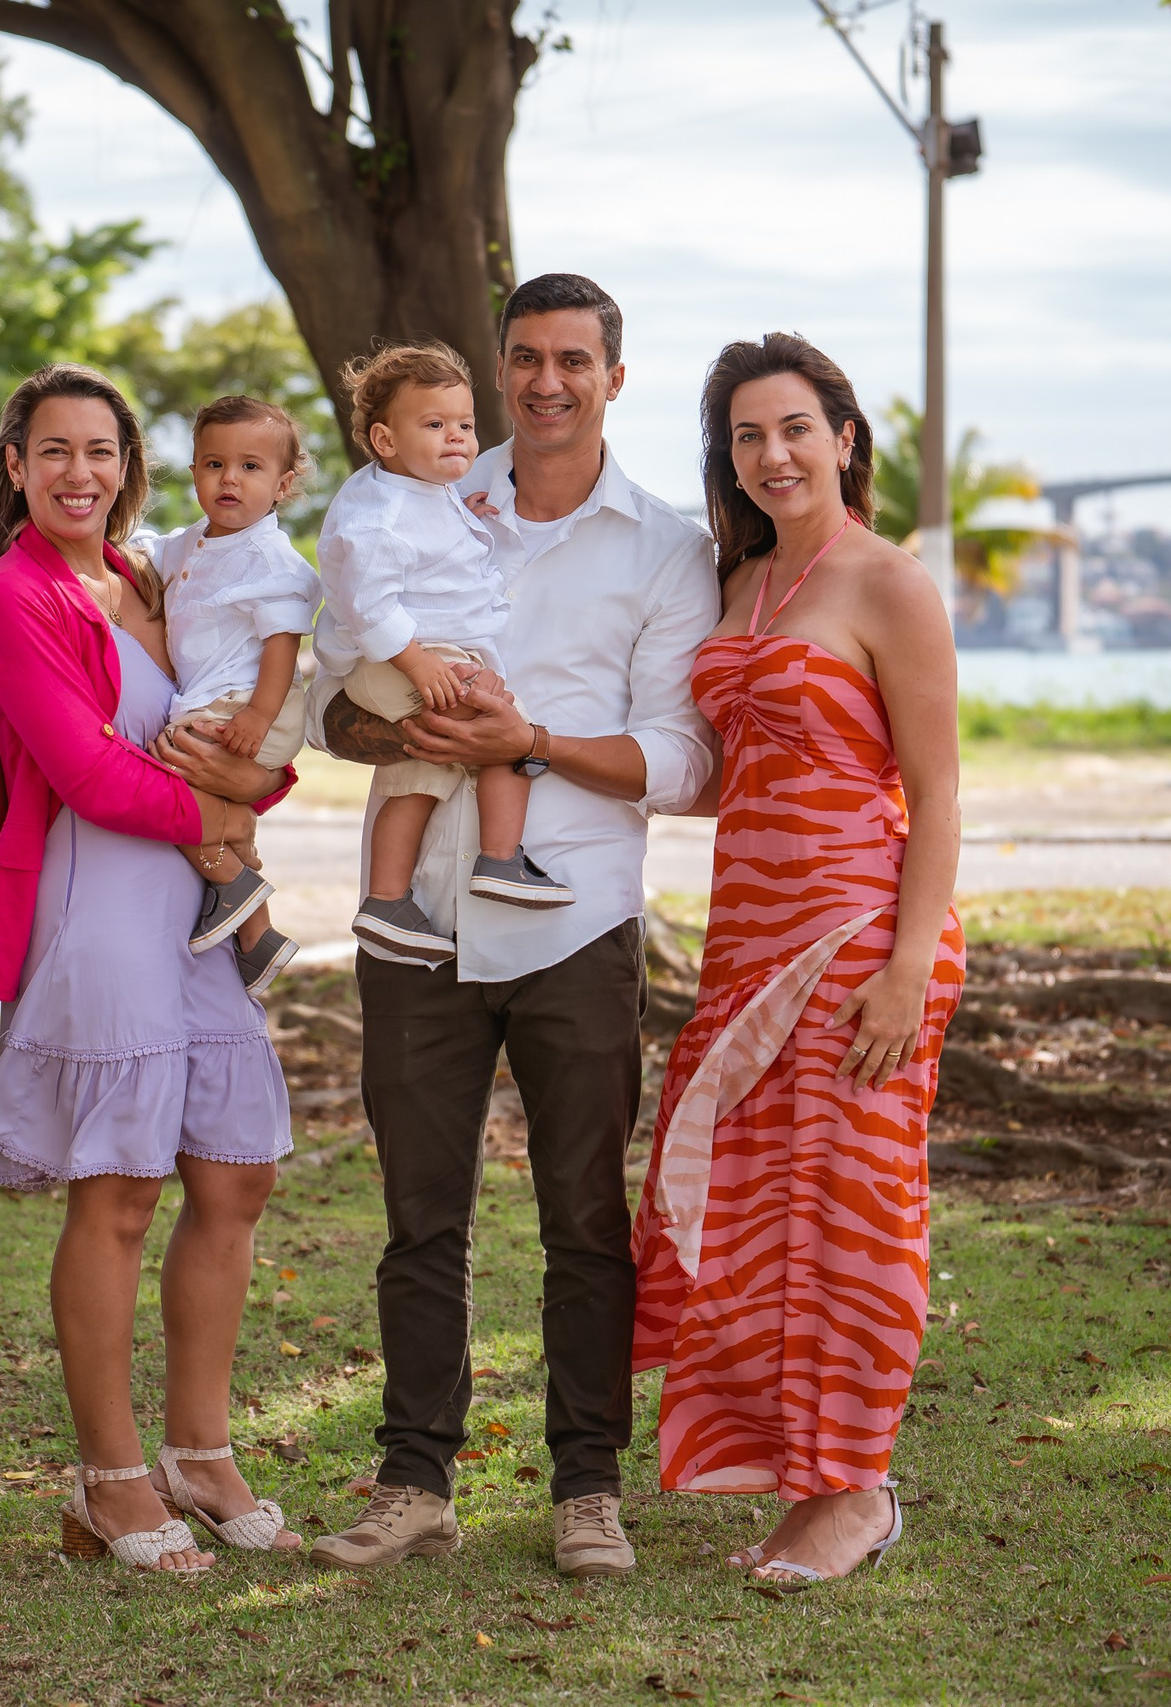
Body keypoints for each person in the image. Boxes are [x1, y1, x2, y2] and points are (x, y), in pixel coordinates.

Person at [305, 275, 720, 1580]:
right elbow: (330, 705)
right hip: (418, 922)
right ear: (499, 369)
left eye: (574, 361)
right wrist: (399, 727)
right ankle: (414, 1477)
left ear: (613, 376)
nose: (548, 382)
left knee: (583, 1217)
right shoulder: (417, 496)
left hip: (575, 921)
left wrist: (525, 738)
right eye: (527, 359)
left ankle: (587, 1486)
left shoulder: (664, 546)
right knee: (420, 1215)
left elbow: (684, 759)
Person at [629, 332, 964, 1588]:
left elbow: (934, 796)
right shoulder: (739, 583)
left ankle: (856, 1494)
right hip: (746, 942)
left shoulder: (887, 582)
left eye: (794, 429)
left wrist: (905, 963)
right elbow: (724, 774)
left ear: (844, 437)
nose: (773, 454)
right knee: (758, 1214)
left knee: (853, 1213)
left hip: (860, 935)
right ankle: (800, 1484)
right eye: (747, 436)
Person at [0, 364, 305, 1575]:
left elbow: (256, 731)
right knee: (118, 1189)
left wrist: (248, 790)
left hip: (191, 907)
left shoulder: (150, 575)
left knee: (236, 1172)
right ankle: (108, 1480)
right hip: (98, 897)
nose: (79, 474)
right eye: (53, 451)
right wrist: (220, 813)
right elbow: (86, 775)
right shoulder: (10, 601)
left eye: (101, 451)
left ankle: (198, 1455)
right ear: (14, 467)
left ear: (128, 467)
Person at [316, 342, 570, 967]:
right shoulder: (379, 515)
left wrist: (468, 516)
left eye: (464, 425)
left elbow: (430, 547)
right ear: (384, 438)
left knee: (421, 772)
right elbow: (371, 602)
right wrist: (418, 665)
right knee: (501, 729)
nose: (457, 438)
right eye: (434, 425)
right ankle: (502, 860)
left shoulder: (423, 491)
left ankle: (386, 900)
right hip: (402, 656)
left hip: (417, 652)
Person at [145, 395, 321, 995]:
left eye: (251, 467)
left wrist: (258, 714)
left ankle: (236, 884)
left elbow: (282, 647)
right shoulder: (191, 542)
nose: (230, 479)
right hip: (220, 699)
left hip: (248, 702)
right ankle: (257, 934)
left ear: (283, 484)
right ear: (194, 471)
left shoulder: (269, 558)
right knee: (190, 791)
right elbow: (144, 550)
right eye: (213, 464)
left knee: (161, 779)